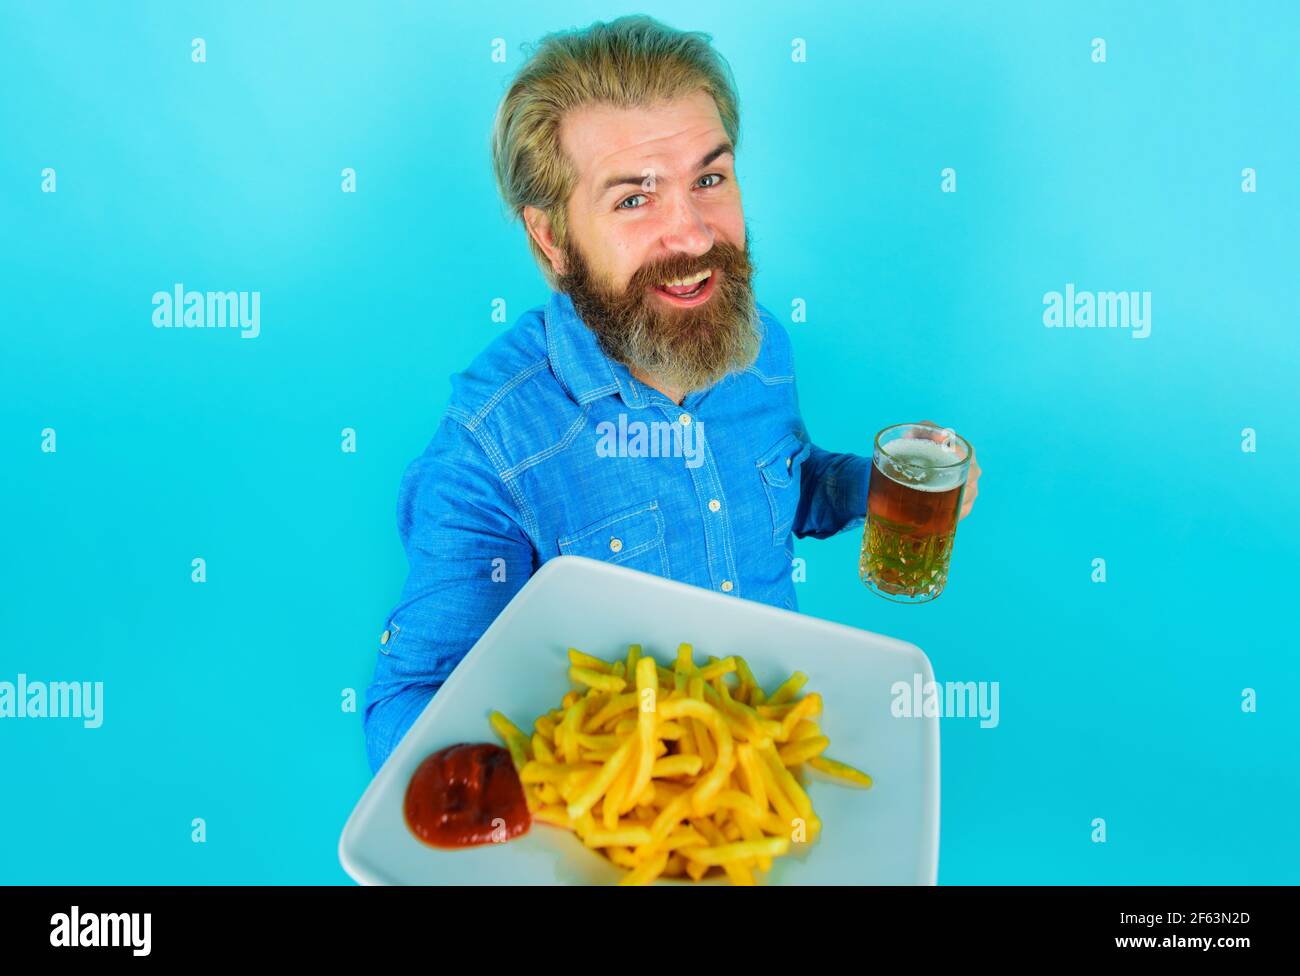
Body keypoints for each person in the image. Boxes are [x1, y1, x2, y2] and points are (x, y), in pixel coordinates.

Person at [363, 15, 981, 772]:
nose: (692, 235)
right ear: (552, 239)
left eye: (709, 179)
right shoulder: (489, 448)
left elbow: (784, 480)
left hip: (778, 777)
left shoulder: (757, 344)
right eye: (633, 199)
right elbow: (407, 709)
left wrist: (866, 486)